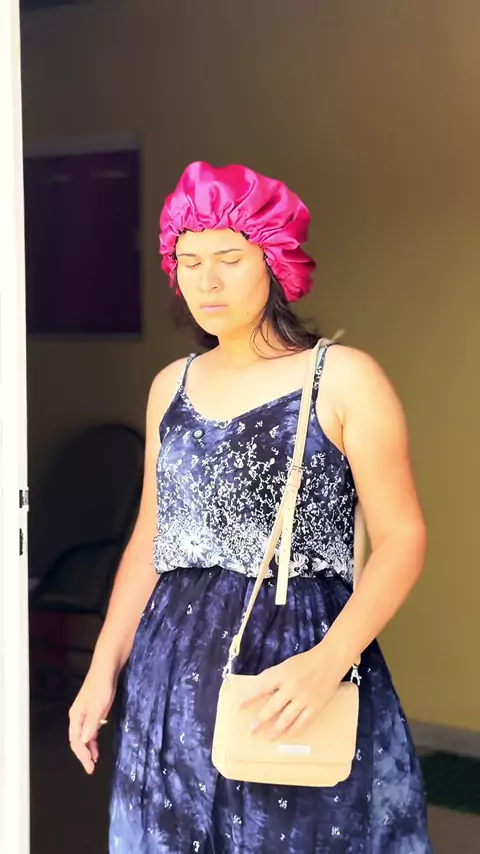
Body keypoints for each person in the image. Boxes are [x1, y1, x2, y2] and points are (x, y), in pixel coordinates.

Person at [69, 161, 432, 852]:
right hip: (168, 674)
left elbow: (403, 538)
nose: (206, 280)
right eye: (189, 261)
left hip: (296, 666)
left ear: (274, 260)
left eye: (229, 259)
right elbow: (151, 538)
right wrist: (102, 669)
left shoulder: (342, 378)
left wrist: (329, 660)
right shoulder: (170, 386)